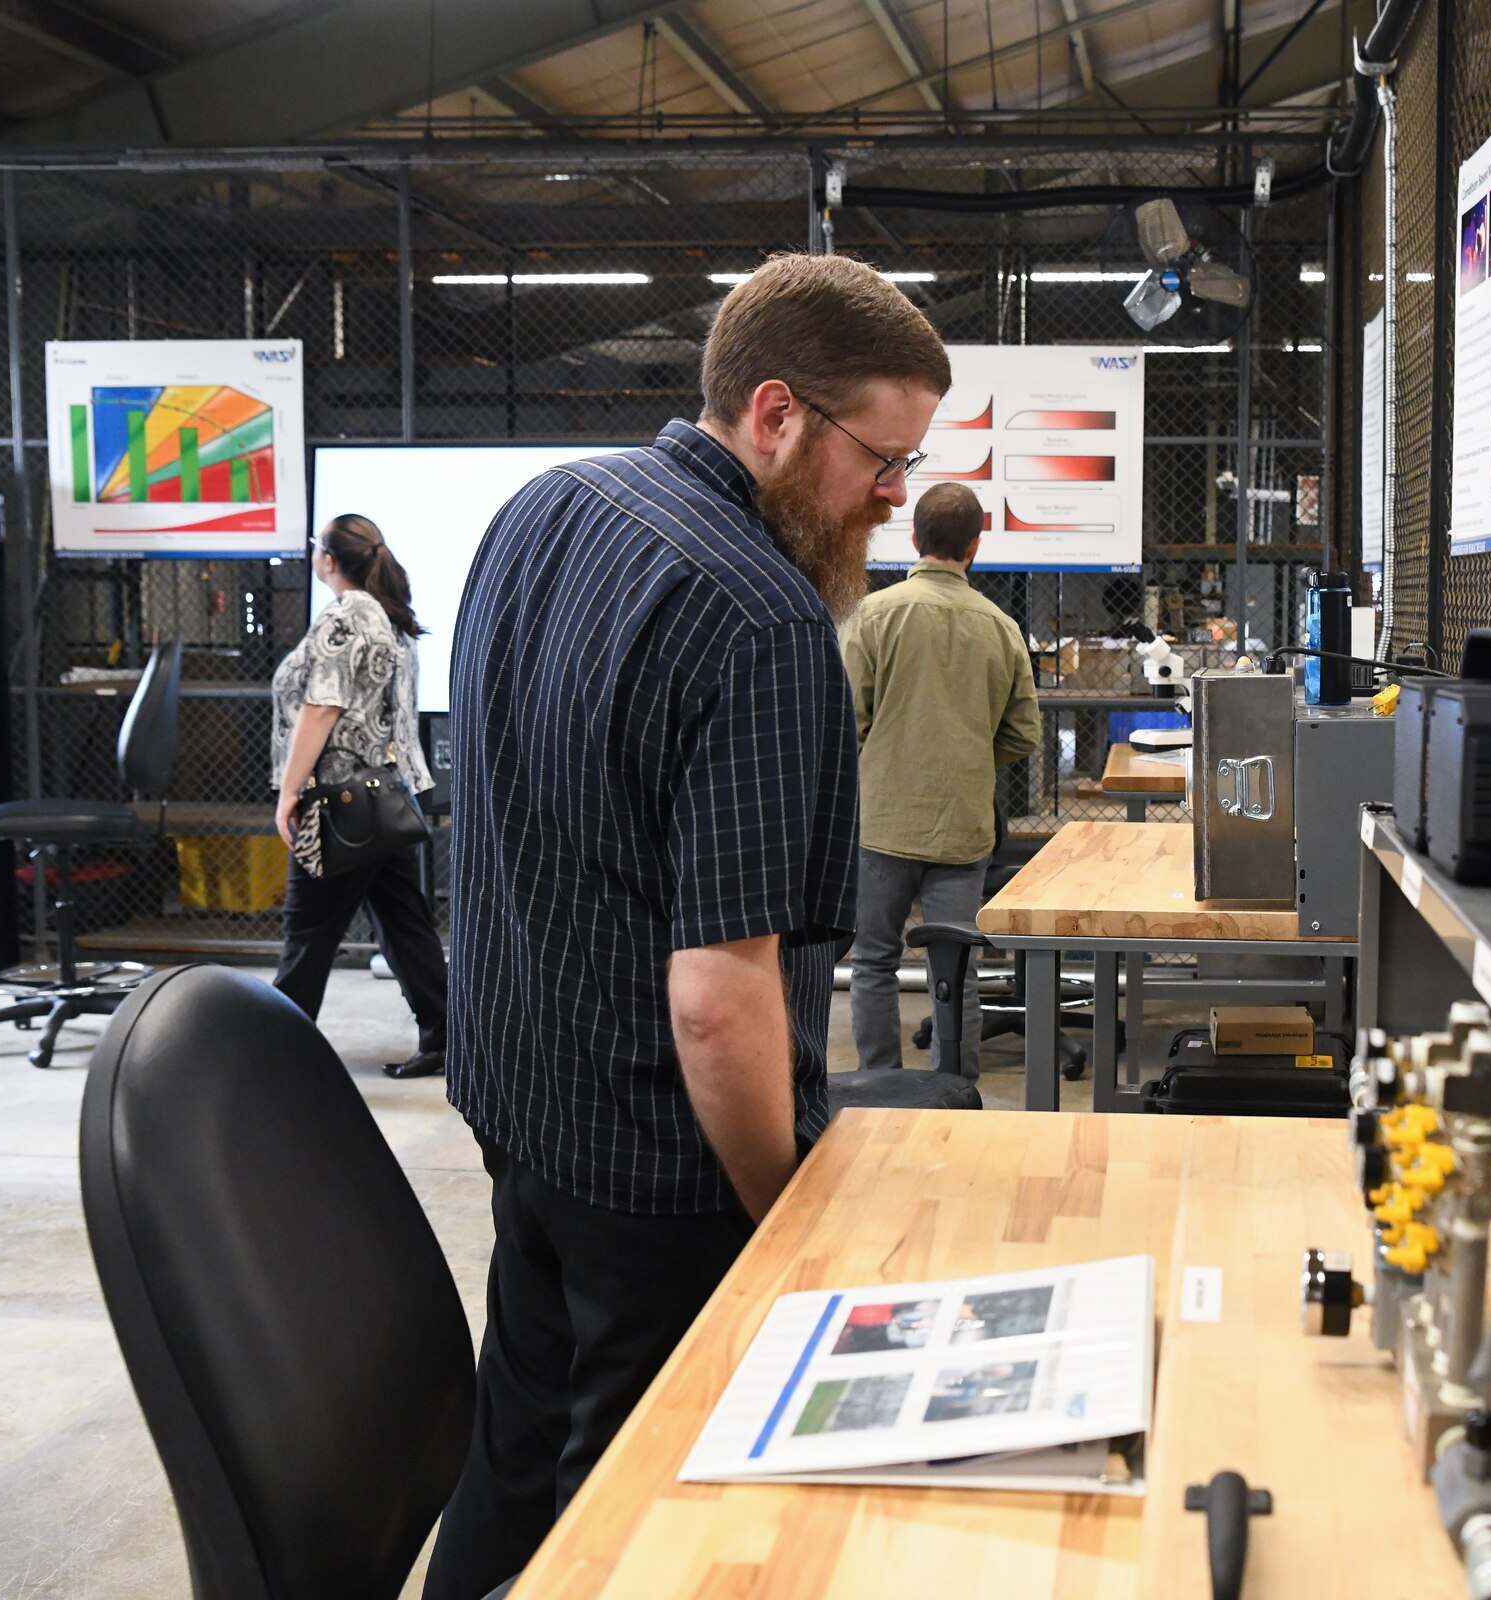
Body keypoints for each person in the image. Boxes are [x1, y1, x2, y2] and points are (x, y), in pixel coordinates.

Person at [423, 253, 951, 1600]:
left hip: (524, 1112)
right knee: (644, 1526)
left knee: (520, 1447)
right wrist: (786, 1216)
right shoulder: (764, 622)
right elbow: (722, 994)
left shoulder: (545, 506)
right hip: (660, 1177)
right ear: (776, 415)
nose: (895, 497)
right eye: (882, 459)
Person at [840, 482, 1040, 1079]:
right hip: (963, 829)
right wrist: (969, 760)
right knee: (956, 969)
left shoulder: (871, 615)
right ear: (975, 546)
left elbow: (847, 717)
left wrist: (885, 761)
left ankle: (878, 1084)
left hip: (881, 824)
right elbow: (1023, 733)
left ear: (912, 538)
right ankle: (958, 1088)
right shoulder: (1001, 627)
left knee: (873, 962)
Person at [269, 513, 446, 1079]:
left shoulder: (346, 615)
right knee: (403, 924)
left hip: (339, 804)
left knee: (308, 930)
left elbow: (323, 707)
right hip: (387, 800)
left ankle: (277, 1057)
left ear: (328, 561)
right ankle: (448, 1038)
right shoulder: (391, 615)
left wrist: (290, 792)